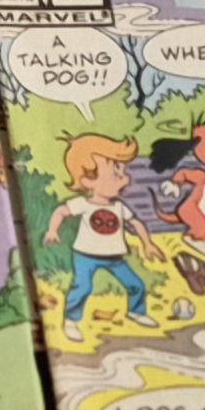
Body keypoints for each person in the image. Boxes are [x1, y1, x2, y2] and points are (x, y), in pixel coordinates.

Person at [46, 134, 155, 324]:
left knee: (135, 284)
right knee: (82, 287)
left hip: (114, 258)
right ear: (88, 180)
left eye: (123, 174)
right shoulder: (84, 204)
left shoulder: (119, 207)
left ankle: (136, 312)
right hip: (85, 256)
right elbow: (61, 211)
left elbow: (136, 223)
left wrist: (148, 244)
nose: (126, 180)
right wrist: (52, 230)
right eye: (116, 174)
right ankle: (71, 319)